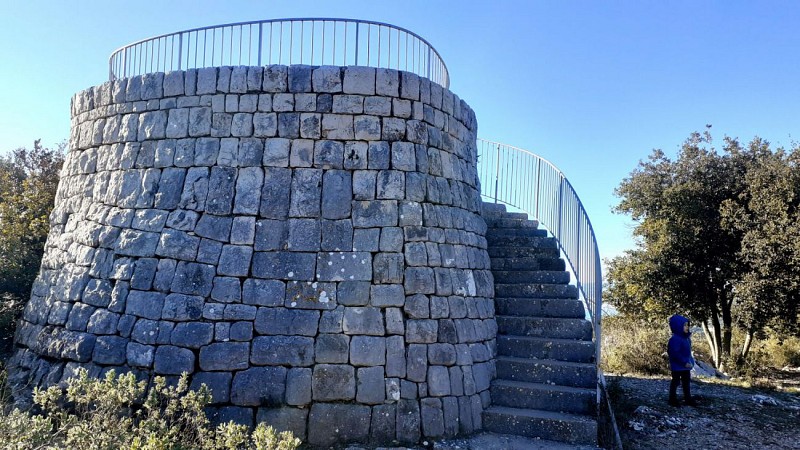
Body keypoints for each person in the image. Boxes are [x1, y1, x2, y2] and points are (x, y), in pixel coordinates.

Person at [667, 314, 697, 407]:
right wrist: (684, 362)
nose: (687, 327)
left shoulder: (687, 338)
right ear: (677, 326)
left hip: (686, 366)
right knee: (675, 382)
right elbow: (674, 353)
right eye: (684, 325)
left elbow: (688, 353)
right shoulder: (675, 339)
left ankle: (688, 398)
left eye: (687, 325)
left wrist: (691, 362)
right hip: (677, 366)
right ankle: (672, 399)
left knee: (686, 383)